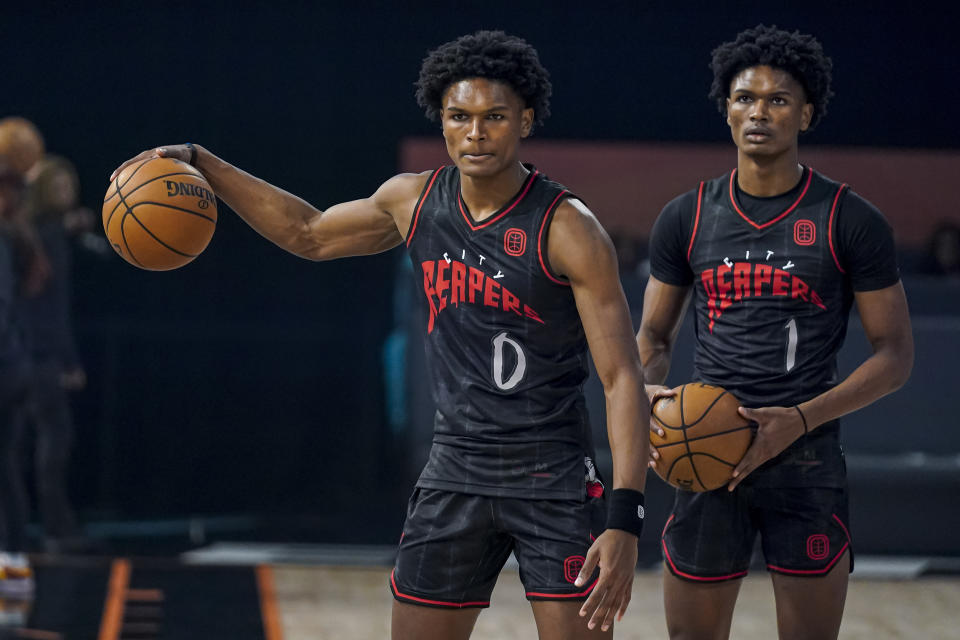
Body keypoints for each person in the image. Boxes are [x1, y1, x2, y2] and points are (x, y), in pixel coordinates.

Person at [112, 31, 650, 639]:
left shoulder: (567, 227)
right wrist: (202, 161)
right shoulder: (414, 200)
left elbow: (621, 377)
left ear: (525, 120)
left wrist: (626, 520)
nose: (475, 133)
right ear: (441, 122)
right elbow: (309, 233)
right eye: (459, 117)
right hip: (454, 472)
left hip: (550, 477)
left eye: (494, 117)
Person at [636, 25, 914, 639]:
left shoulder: (850, 218)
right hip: (705, 450)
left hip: (805, 458)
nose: (757, 112)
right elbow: (652, 339)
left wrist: (802, 417)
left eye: (777, 100)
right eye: (743, 99)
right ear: (726, 111)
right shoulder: (686, 215)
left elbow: (895, 357)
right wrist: (650, 398)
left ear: (806, 113)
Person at [19, 155, 92, 552]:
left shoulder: (30, 232)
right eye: (59, 186)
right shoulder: (45, 237)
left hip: (24, 350)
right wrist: (68, 360)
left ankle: (42, 525)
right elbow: (51, 308)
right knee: (53, 438)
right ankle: (55, 526)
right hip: (37, 353)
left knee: (28, 443)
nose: (67, 193)